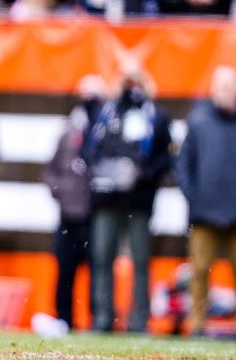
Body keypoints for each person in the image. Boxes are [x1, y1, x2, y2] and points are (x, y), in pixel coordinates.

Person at [176, 66, 236, 337]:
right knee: (199, 271)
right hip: (205, 214)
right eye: (221, 87)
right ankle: (197, 324)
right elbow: (183, 164)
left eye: (230, 86)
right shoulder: (198, 121)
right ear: (213, 89)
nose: (226, 92)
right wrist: (194, 197)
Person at [83, 68, 172, 333]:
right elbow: (89, 149)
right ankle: (102, 316)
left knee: (140, 259)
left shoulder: (155, 116)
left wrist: (142, 173)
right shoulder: (107, 113)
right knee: (102, 256)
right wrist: (107, 169)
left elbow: (166, 158)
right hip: (108, 197)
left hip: (139, 199)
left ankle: (139, 319)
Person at [46, 75, 106, 329]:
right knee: (65, 271)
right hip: (68, 214)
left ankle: (98, 320)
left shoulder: (104, 131)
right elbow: (50, 171)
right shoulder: (68, 131)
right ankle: (64, 319)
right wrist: (62, 191)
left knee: (98, 270)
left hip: (95, 214)